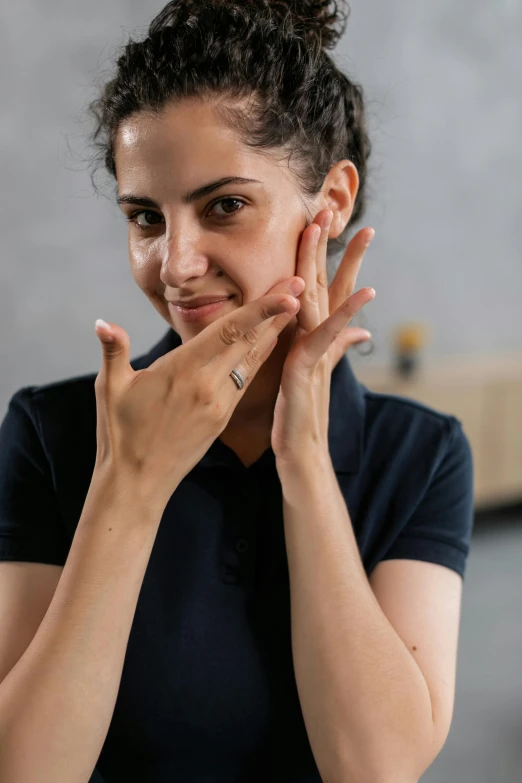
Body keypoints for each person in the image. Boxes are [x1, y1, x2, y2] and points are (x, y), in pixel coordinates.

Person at [0, 2, 474, 782]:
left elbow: (376, 768)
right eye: (146, 217)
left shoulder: (420, 455)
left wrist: (307, 459)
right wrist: (129, 485)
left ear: (331, 202)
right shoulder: (50, 432)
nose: (176, 263)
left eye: (224, 206)